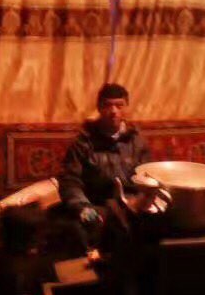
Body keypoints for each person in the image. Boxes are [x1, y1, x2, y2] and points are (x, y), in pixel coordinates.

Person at [57, 83, 151, 252]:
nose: (113, 111)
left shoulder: (137, 142)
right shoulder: (83, 142)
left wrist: (141, 201)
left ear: (126, 107)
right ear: (99, 108)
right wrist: (82, 207)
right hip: (96, 206)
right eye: (108, 105)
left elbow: (147, 178)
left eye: (119, 105)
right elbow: (70, 181)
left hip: (131, 206)